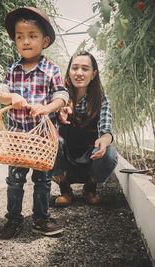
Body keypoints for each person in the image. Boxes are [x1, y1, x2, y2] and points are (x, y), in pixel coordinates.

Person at [0, 7, 69, 239]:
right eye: (20, 36)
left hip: (42, 139)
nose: (26, 41)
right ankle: (13, 219)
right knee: (15, 180)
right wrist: (12, 98)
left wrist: (47, 108)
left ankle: (40, 218)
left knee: (43, 180)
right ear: (15, 40)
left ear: (45, 40)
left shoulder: (51, 70)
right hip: (17, 138)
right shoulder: (12, 70)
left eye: (32, 36)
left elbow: (62, 96)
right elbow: (0, 94)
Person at [52, 50, 118, 206]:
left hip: (90, 159)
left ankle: (90, 187)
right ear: (69, 71)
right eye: (75, 68)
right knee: (50, 142)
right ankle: (65, 188)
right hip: (66, 161)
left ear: (93, 74)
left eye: (85, 69)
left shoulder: (101, 99)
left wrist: (104, 140)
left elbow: (106, 130)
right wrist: (58, 116)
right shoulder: (58, 98)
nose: (79, 73)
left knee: (110, 153)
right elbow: (48, 128)